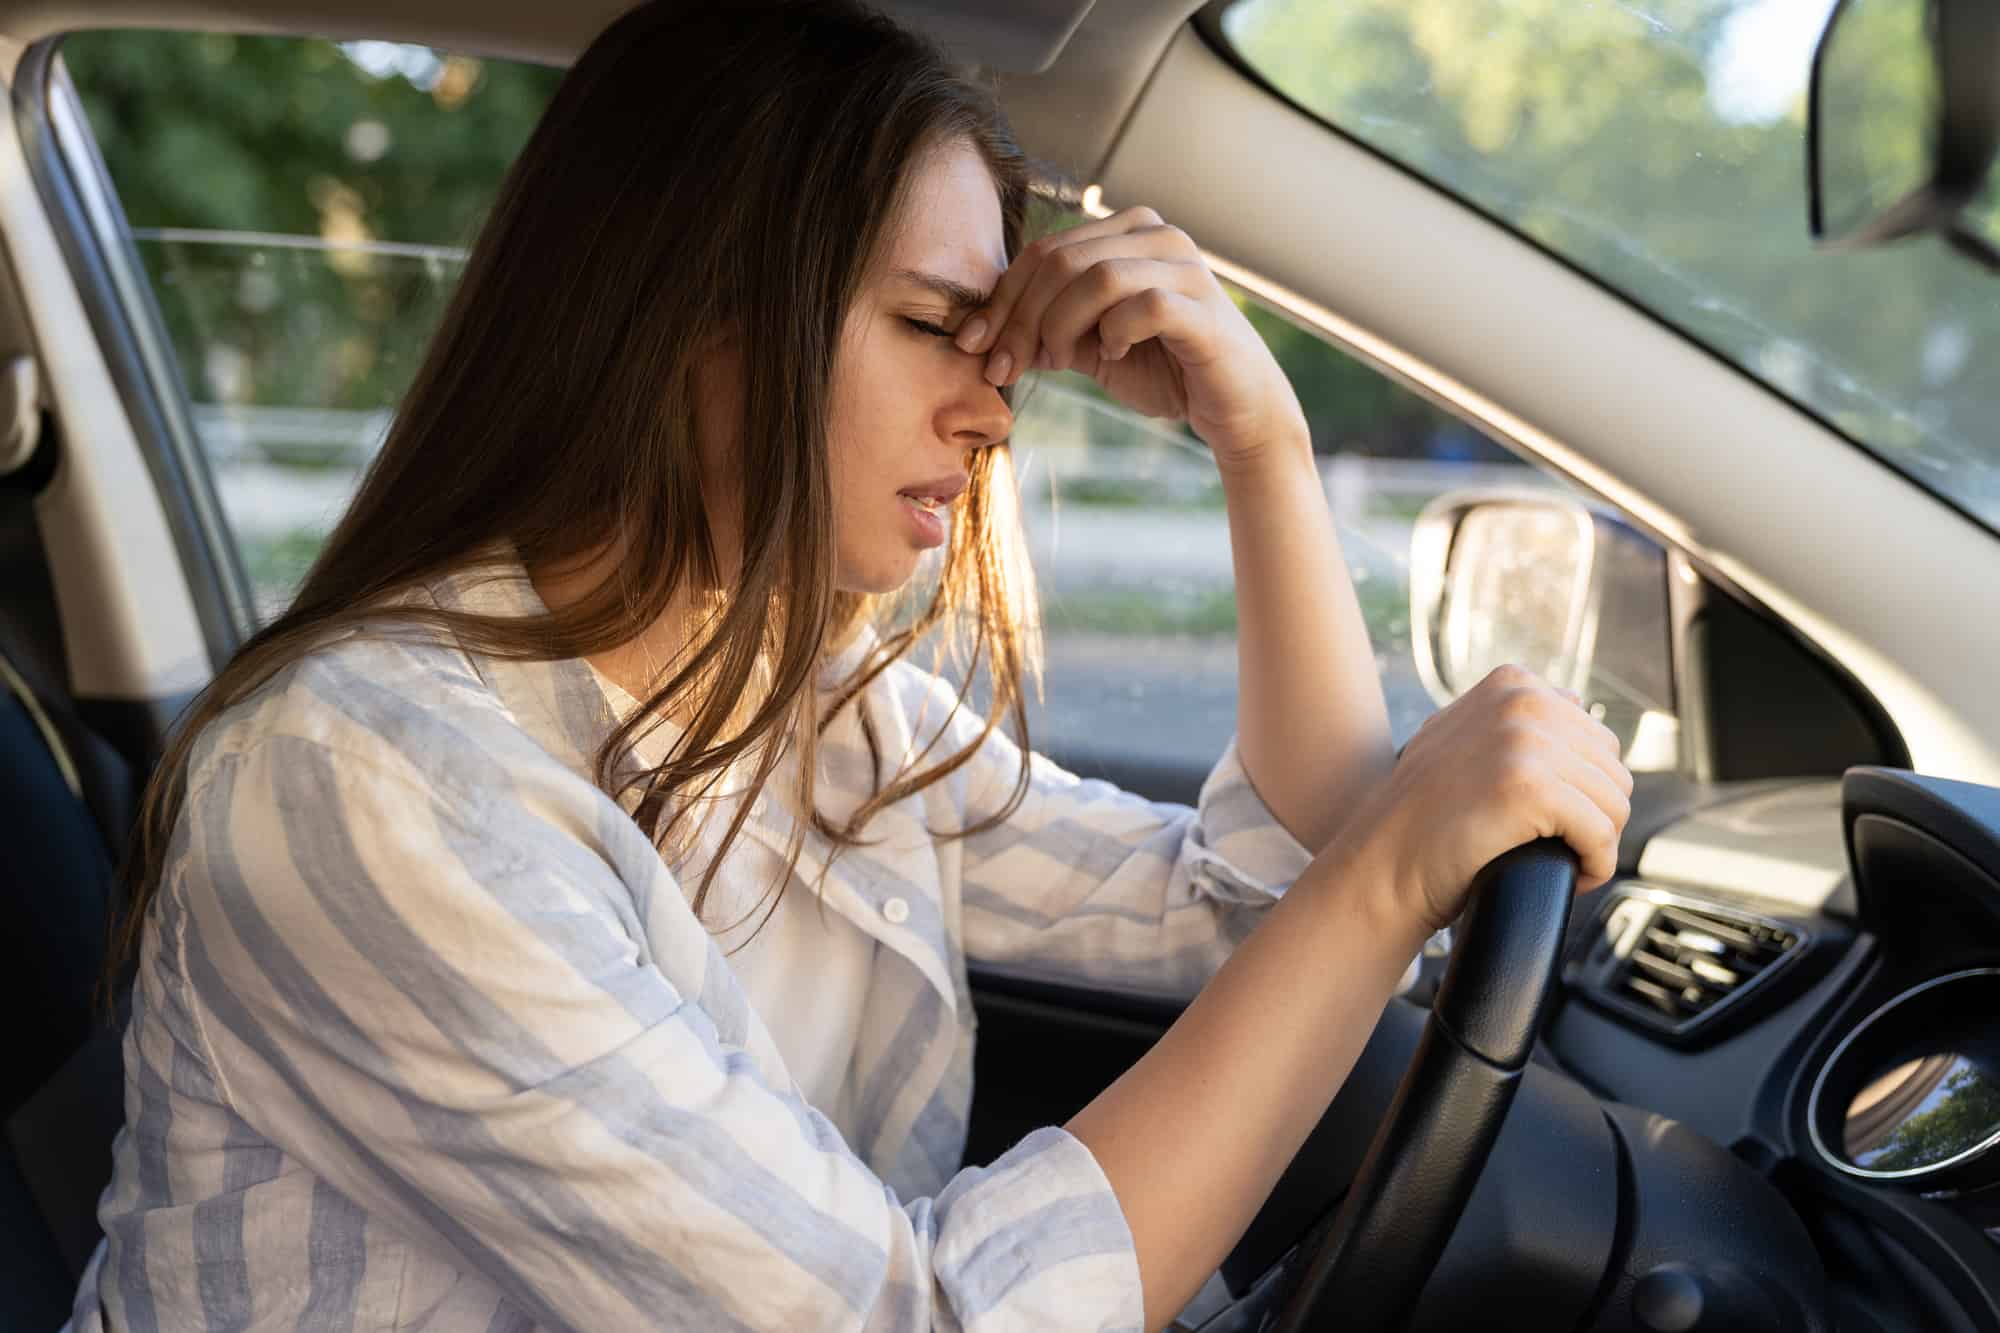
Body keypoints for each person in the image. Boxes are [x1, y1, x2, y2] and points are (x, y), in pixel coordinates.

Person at [67, 1, 1632, 1329]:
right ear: (701, 318)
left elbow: (1251, 910)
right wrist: (1386, 871)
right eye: (934, 323)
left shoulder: (791, 690)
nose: (995, 411)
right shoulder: (366, 783)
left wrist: (1262, 442)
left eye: (992, 342)